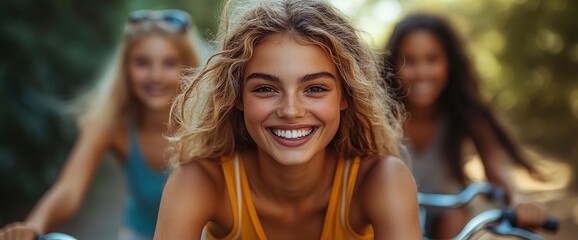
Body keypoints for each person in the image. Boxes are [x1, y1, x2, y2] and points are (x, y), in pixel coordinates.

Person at [154, 0, 421, 239]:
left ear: (345, 96)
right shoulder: (199, 181)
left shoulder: (382, 179)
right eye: (265, 89)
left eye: (315, 88)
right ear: (236, 97)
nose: (291, 111)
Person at [0, 9, 201, 240]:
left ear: (188, 67)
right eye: (142, 63)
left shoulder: (206, 125)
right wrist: (33, 227)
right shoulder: (112, 125)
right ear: (126, 68)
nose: (155, 76)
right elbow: (68, 190)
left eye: (169, 63)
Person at [383, 13, 548, 238]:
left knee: (456, 216)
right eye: (409, 61)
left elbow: (495, 170)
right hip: (389, 218)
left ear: (449, 62)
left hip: (449, 220)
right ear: (392, 65)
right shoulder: (377, 114)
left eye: (432, 59)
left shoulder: (465, 112)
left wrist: (517, 198)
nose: (422, 72)